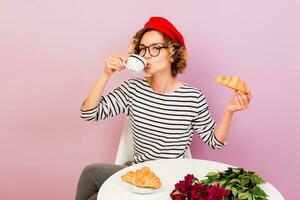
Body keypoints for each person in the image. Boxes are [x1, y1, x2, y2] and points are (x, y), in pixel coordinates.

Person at [75, 16, 252, 200]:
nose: (146, 55)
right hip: (137, 173)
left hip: (171, 180)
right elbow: (89, 113)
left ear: (173, 53)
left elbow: (214, 141)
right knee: (90, 175)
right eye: (142, 49)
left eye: (155, 48)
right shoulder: (133, 89)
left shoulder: (192, 97)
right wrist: (106, 74)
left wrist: (229, 111)